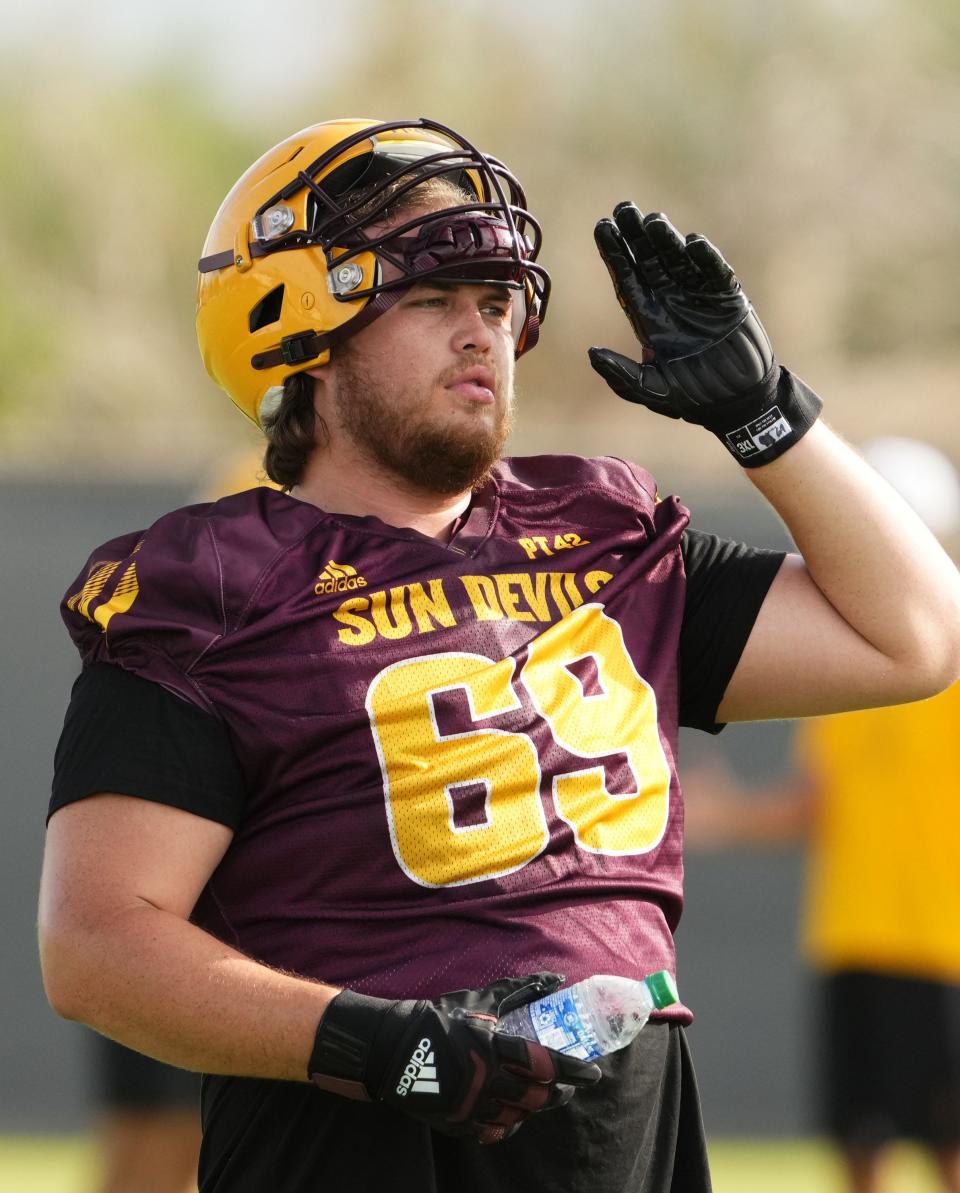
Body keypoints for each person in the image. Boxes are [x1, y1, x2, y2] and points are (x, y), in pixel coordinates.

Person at [37, 117, 960, 1193]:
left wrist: (766, 416)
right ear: (297, 334)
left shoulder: (600, 538)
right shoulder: (216, 585)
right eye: (429, 299)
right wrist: (376, 1041)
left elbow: (916, 635)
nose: (481, 334)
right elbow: (97, 942)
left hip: (622, 1133)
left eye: (495, 301)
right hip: (356, 1137)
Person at [684, 437, 960, 1193]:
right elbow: (816, 807)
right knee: (859, 1135)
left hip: (944, 944)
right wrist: (730, 816)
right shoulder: (855, 671)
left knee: (948, 1141)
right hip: (853, 938)